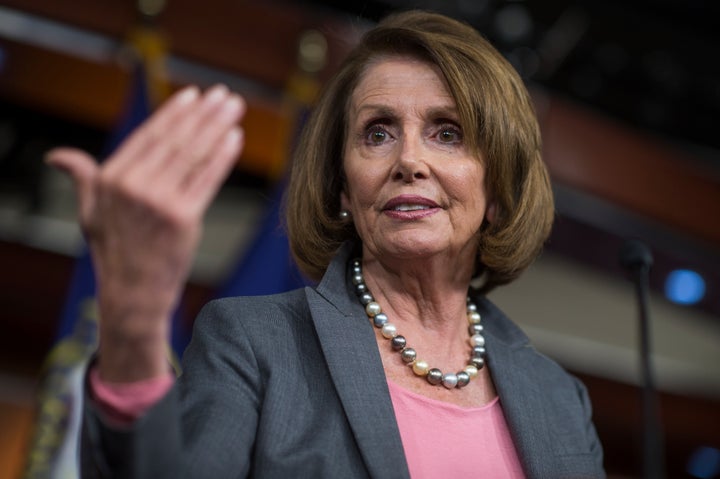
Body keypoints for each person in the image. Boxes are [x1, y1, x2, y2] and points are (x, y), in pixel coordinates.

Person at [47, 10, 605, 479]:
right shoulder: (255, 344)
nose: (409, 160)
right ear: (341, 186)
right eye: (378, 133)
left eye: (447, 132)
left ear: (500, 191)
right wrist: (133, 324)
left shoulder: (559, 398)